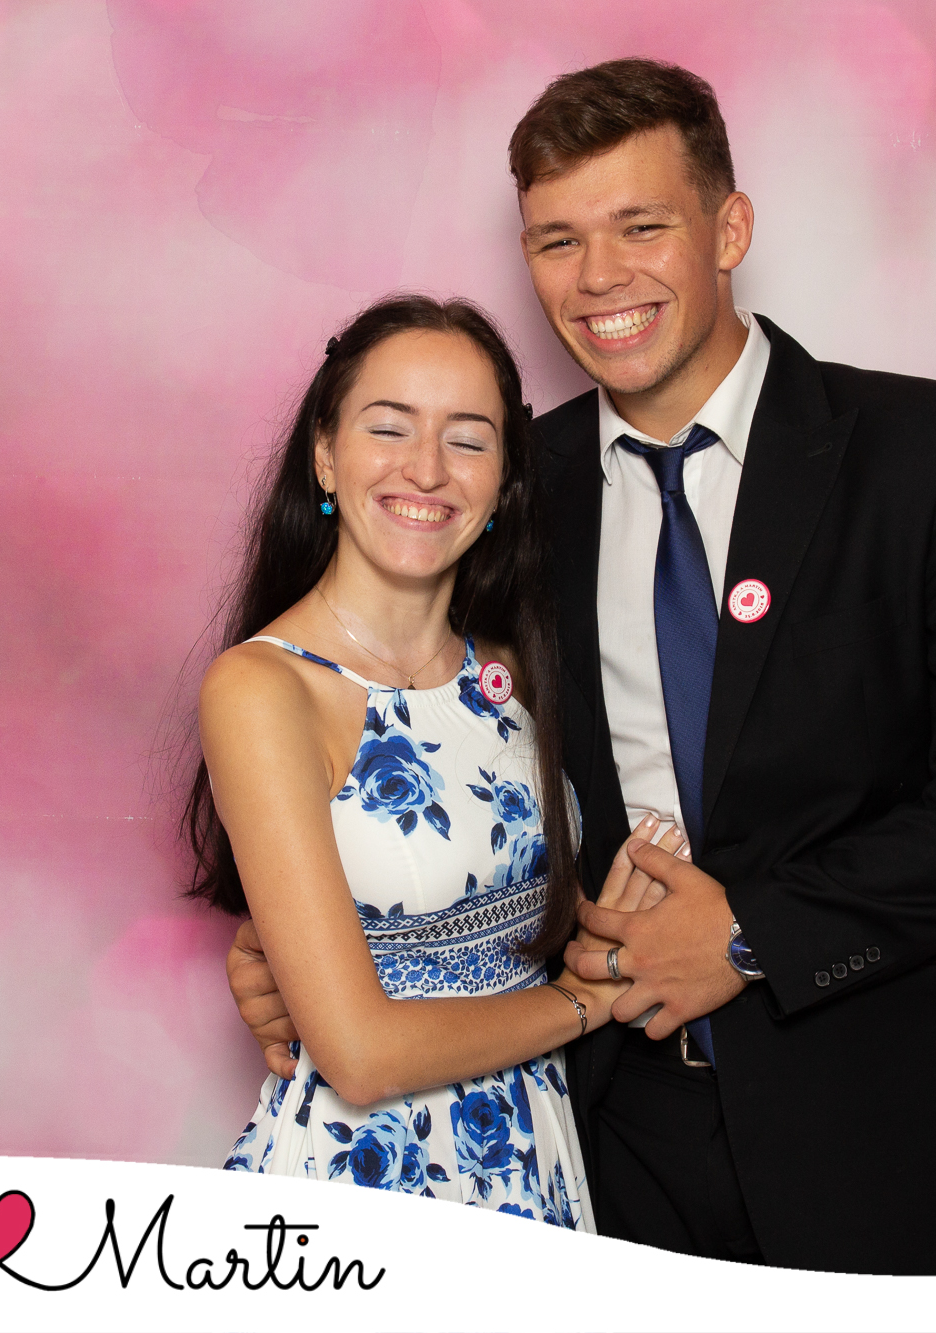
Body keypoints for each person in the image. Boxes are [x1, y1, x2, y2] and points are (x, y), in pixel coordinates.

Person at [226, 60, 936, 1273]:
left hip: (877, 1127)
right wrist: (319, 944)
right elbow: (418, 737)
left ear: (728, 229)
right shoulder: (499, 493)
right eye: (558, 241)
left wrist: (750, 932)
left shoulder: (923, 453)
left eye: (640, 227)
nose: (598, 276)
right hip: (599, 1134)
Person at [187, 293, 695, 1227]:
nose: (426, 468)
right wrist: (583, 1001)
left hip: (536, 1155)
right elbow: (360, 1053)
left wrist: (621, 924)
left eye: (467, 439)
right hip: (369, 1176)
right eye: (389, 428)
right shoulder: (264, 687)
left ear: (504, 480)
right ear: (325, 453)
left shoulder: (513, 667)